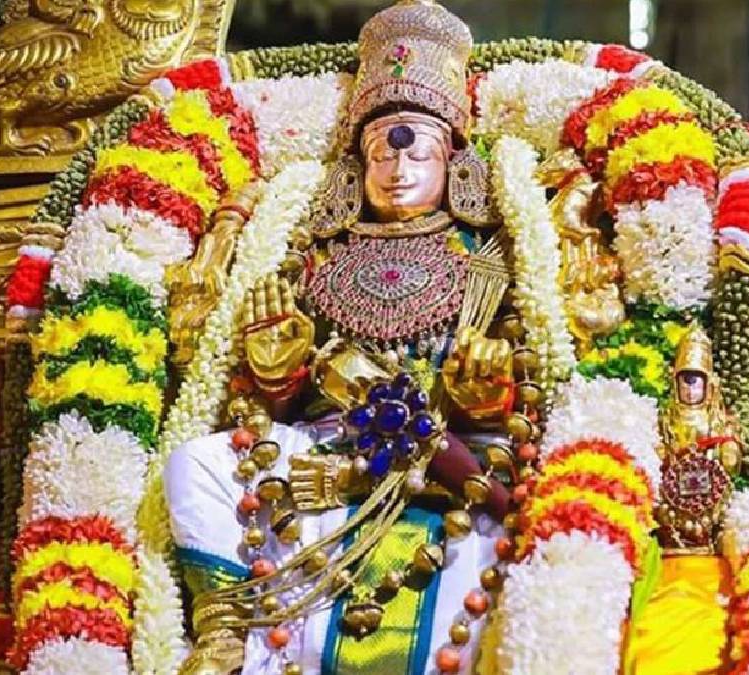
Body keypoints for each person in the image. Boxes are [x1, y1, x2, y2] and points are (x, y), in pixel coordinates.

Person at [166, 3, 522, 672]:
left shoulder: (493, 258)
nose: (396, 159)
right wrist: (278, 368)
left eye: (413, 139)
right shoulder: (317, 255)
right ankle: (226, 631)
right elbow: (273, 404)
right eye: (379, 144)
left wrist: (490, 390)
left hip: (453, 468)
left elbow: (526, 385)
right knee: (198, 464)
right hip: (323, 461)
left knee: (522, 510)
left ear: (452, 152)